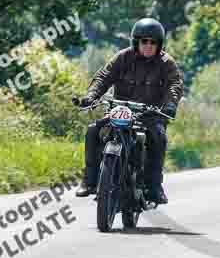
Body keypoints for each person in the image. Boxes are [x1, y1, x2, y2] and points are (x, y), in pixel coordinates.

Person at [74, 17, 183, 204]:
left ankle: (154, 186)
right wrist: (90, 96)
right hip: (120, 110)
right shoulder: (123, 57)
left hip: (150, 114)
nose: (148, 45)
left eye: (153, 42)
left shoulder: (166, 63)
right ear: (136, 42)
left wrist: (170, 104)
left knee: (158, 137)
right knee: (93, 130)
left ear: (159, 44)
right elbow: (103, 77)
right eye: (144, 41)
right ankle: (89, 180)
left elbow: (175, 84)